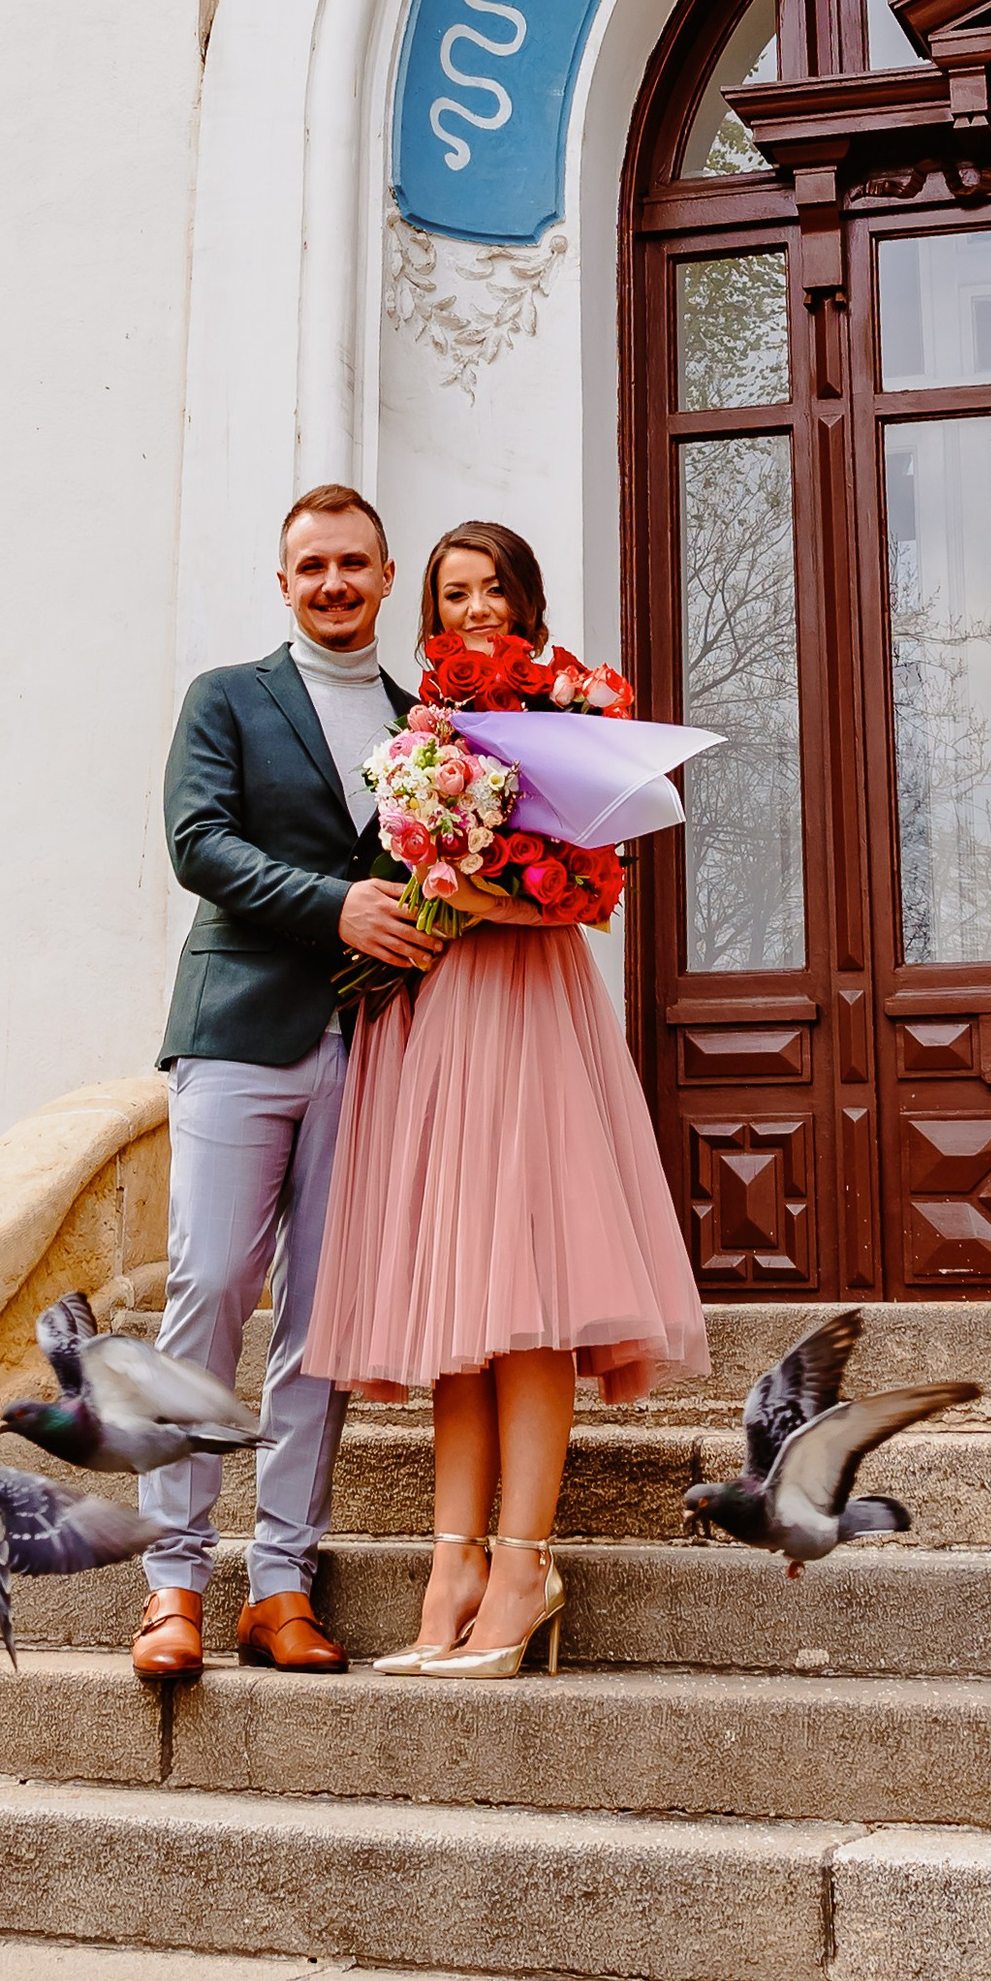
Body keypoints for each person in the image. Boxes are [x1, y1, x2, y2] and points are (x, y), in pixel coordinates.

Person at [305, 518, 705, 1680]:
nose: (473, 609)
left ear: (523, 600)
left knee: (526, 1294)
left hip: (526, 1009)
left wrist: (481, 899)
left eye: (490, 589)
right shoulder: (418, 730)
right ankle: (453, 1570)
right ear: (430, 612)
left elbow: (590, 890)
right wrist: (426, 877)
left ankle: (523, 1568)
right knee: (459, 1313)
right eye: (453, 593)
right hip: (436, 1015)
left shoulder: (567, 707)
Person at [132, 484, 442, 1684]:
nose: (333, 584)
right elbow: (197, 843)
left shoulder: (426, 726)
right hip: (237, 1029)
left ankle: (279, 1586)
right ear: (283, 582)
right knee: (209, 1285)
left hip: (371, 1044)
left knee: (320, 1318)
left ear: (384, 575)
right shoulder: (226, 698)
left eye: (353, 564)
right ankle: (172, 1584)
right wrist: (334, 907)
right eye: (311, 566)